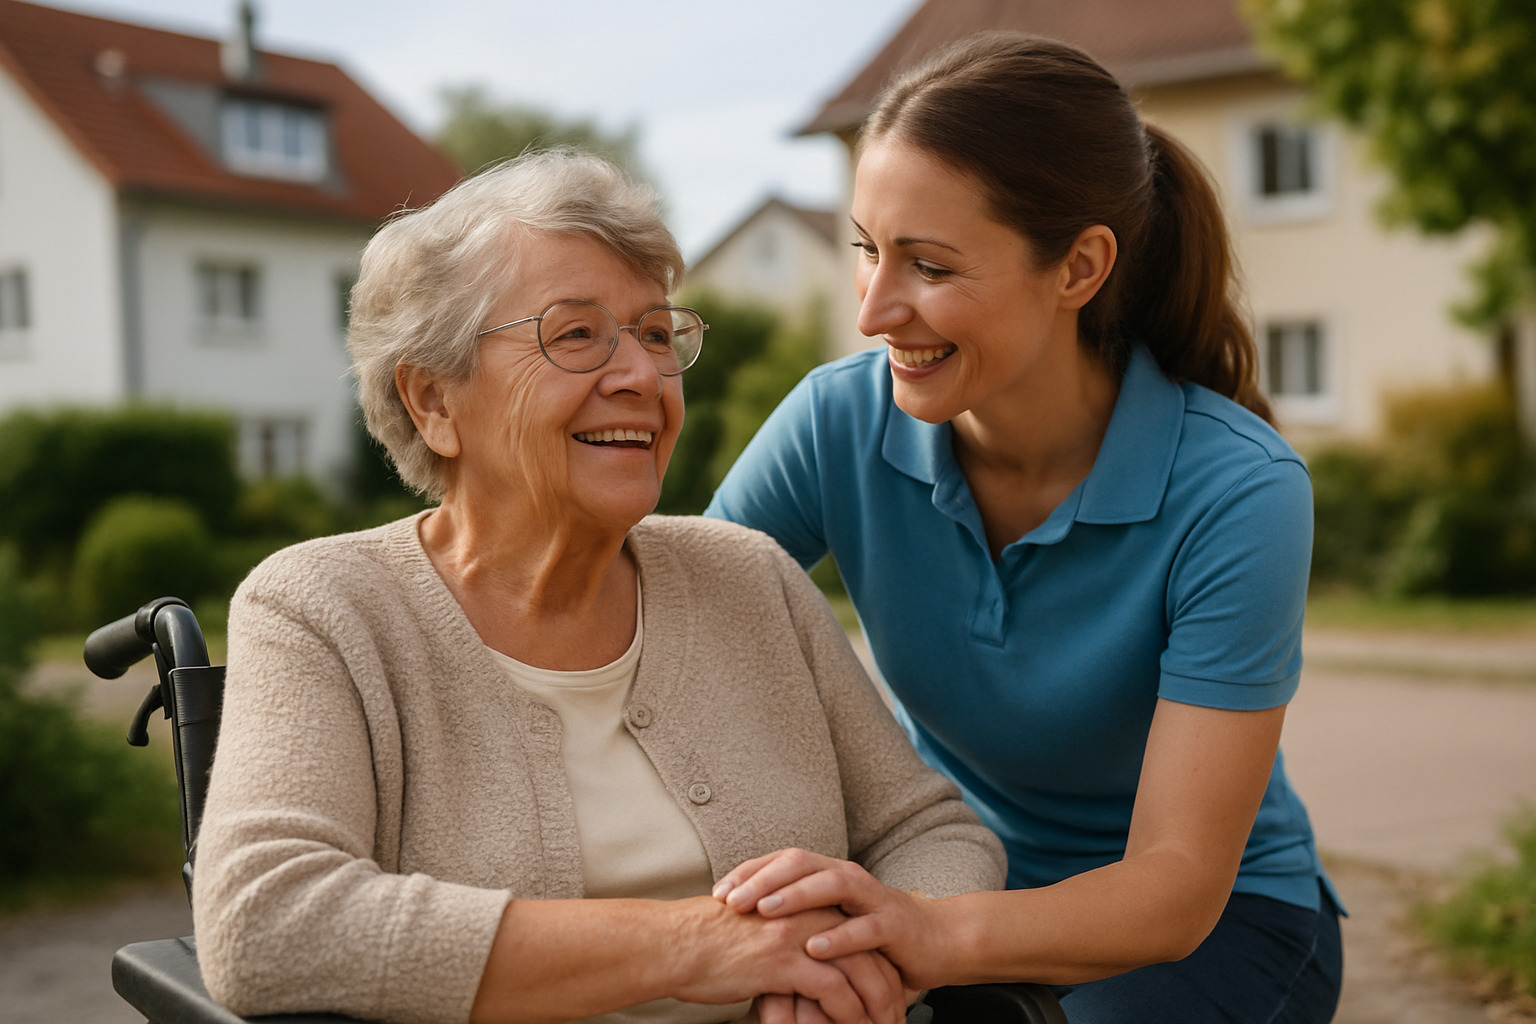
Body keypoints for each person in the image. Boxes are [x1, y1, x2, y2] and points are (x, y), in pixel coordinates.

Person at [190, 149, 1005, 1024]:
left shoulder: (751, 576)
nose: (642, 377)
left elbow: (931, 832)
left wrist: (862, 964)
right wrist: (701, 944)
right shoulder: (321, 609)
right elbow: (264, 921)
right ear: (433, 401)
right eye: (576, 335)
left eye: (655, 334)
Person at [705, 32, 1343, 1024]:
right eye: (867, 250)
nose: (874, 311)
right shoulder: (837, 422)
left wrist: (923, 933)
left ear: (1079, 267)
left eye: (929, 265)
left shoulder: (1239, 490)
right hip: (957, 883)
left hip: (1209, 927)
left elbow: (1175, 888)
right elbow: (669, 620)